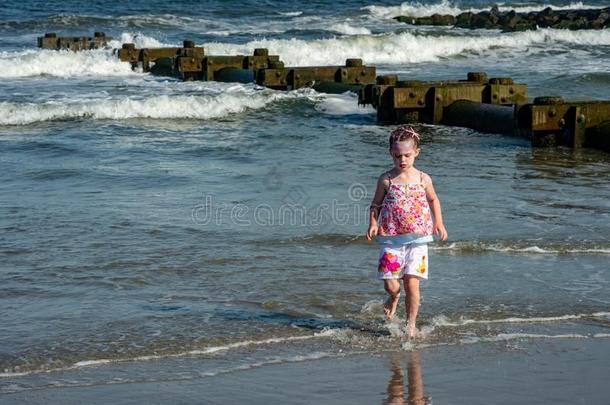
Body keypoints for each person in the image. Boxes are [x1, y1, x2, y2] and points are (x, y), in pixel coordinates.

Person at [366, 126, 447, 338]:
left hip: (418, 239)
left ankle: (411, 325)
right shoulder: (386, 179)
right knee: (391, 284)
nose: (402, 160)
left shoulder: (423, 179)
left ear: (416, 152)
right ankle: (393, 297)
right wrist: (373, 223)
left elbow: (433, 199)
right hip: (391, 240)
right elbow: (375, 205)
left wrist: (439, 222)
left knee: (412, 282)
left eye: (407, 155)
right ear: (391, 154)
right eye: (397, 156)